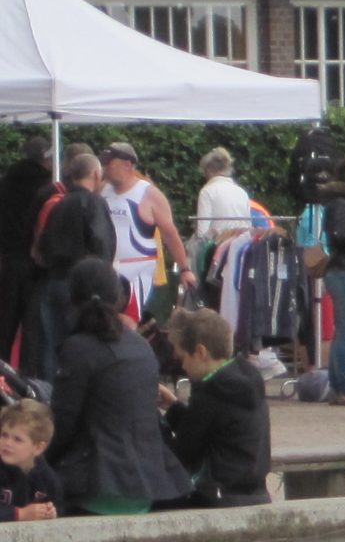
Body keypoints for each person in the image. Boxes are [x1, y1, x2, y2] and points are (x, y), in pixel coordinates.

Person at [49, 259, 190, 513]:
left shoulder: (78, 348)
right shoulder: (141, 346)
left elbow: (62, 424)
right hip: (148, 485)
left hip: (97, 486)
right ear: (118, 298)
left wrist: (36, 462)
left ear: (71, 298)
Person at [158, 307, 271, 506]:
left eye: (183, 358)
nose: (183, 367)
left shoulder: (210, 392)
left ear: (201, 352)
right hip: (255, 493)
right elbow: (209, 428)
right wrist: (174, 407)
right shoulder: (248, 378)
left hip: (217, 495)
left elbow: (183, 451)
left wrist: (156, 424)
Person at [31, 151, 116, 382]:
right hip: (81, 287)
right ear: (96, 174)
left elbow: (43, 243)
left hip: (53, 282)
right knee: (82, 346)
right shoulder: (93, 202)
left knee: (53, 347)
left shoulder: (58, 203)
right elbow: (102, 243)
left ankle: (50, 394)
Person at [101, 142, 191, 320]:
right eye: (104, 163)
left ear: (128, 165)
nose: (106, 168)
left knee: (128, 322)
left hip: (137, 270)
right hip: (107, 269)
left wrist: (185, 269)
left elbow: (170, 234)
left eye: (110, 163)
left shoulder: (149, 194)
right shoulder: (102, 190)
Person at [0, 135, 52, 371]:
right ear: (46, 159)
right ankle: (27, 376)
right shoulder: (48, 188)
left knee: (6, 322)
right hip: (33, 263)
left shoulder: (6, 182)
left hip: (7, 260)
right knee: (32, 325)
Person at [0, 399, 63, 522]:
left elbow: (59, 513)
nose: (7, 443)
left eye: (17, 439)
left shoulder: (47, 481)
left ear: (38, 447)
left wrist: (50, 513)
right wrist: (19, 514)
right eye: (4, 435)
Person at [192, 147, 254, 251]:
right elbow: (248, 226)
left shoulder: (207, 192)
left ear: (208, 171)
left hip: (218, 248)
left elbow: (202, 233)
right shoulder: (242, 193)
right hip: (242, 248)